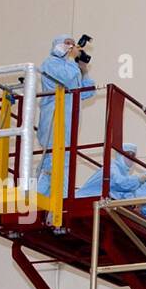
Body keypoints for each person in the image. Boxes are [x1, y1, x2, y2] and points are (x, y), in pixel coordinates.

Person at [36, 35, 96, 194]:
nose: (71, 47)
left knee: (63, 167)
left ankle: (59, 201)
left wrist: (83, 69)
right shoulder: (50, 63)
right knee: (51, 164)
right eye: (67, 43)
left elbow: (86, 93)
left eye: (73, 44)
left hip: (68, 126)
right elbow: (67, 79)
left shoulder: (71, 67)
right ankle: (36, 197)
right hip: (54, 121)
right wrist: (75, 63)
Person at [74, 142, 142, 198]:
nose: (131, 158)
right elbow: (120, 183)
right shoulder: (112, 167)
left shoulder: (124, 173)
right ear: (120, 154)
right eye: (129, 154)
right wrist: (142, 178)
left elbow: (124, 192)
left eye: (133, 155)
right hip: (85, 198)